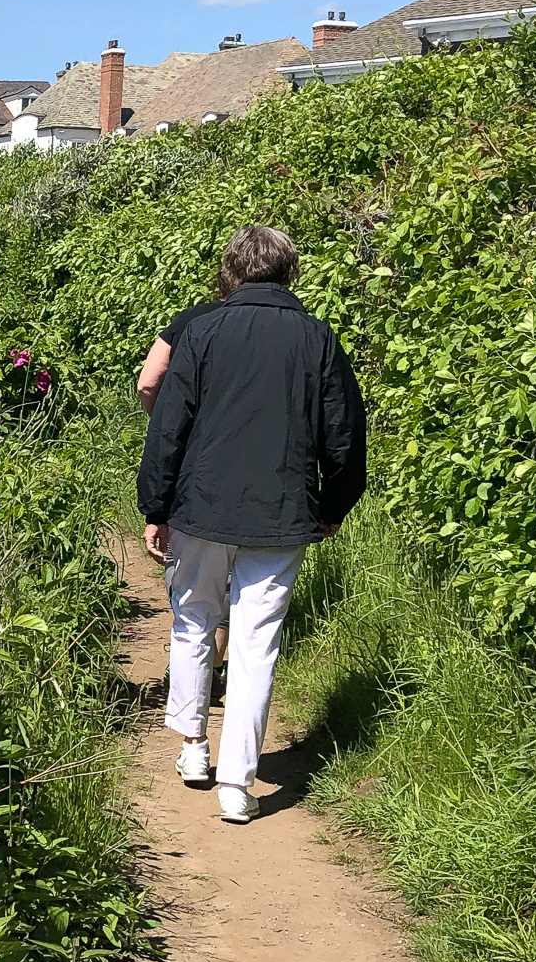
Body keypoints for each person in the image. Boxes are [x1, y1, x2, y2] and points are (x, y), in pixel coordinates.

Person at [137, 224, 366, 824]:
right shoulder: (318, 338)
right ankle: (237, 785)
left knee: (193, 618)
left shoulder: (204, 330)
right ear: (289, 271)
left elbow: (169, 427)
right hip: (283, 511)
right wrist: (333, 507)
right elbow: (343, 437)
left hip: (200, 506)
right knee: (256, 643)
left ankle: (192, 747)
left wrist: (155, 508)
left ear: (232, 270)